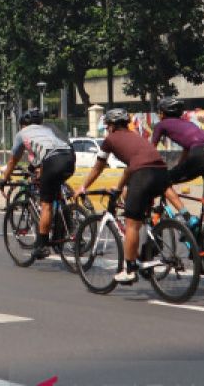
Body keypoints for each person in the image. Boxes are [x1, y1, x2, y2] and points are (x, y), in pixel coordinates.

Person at [76, 108, 171, 284]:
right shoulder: (137, 137)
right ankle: (147, 250)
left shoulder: (110, 140)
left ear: (112, 126)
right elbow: (130, 168)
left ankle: (129, 269)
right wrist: (119, 188)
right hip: (161, 174)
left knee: (131, 224)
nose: (107, 129)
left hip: (143, 175)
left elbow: (98, 167)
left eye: (107, 126)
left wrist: (83, 187)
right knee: (141, 217)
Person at [0, 109, 76, 260]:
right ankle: (63, 229)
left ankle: (42, 246)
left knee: (46, 205)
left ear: (22, 125)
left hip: (52, 161)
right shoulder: (47, 129)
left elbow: (13, 160)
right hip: (69, 158)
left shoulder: (22, 134)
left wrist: (4, 179)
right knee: (57, 194)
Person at [150, 97, 204, 221]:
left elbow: (150, 150)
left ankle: (187, 217)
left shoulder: (161, 125)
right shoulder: (189, 124)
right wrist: (178, 167)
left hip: (200, 156)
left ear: (162, 113)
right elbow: (187, 149)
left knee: (163, 182)